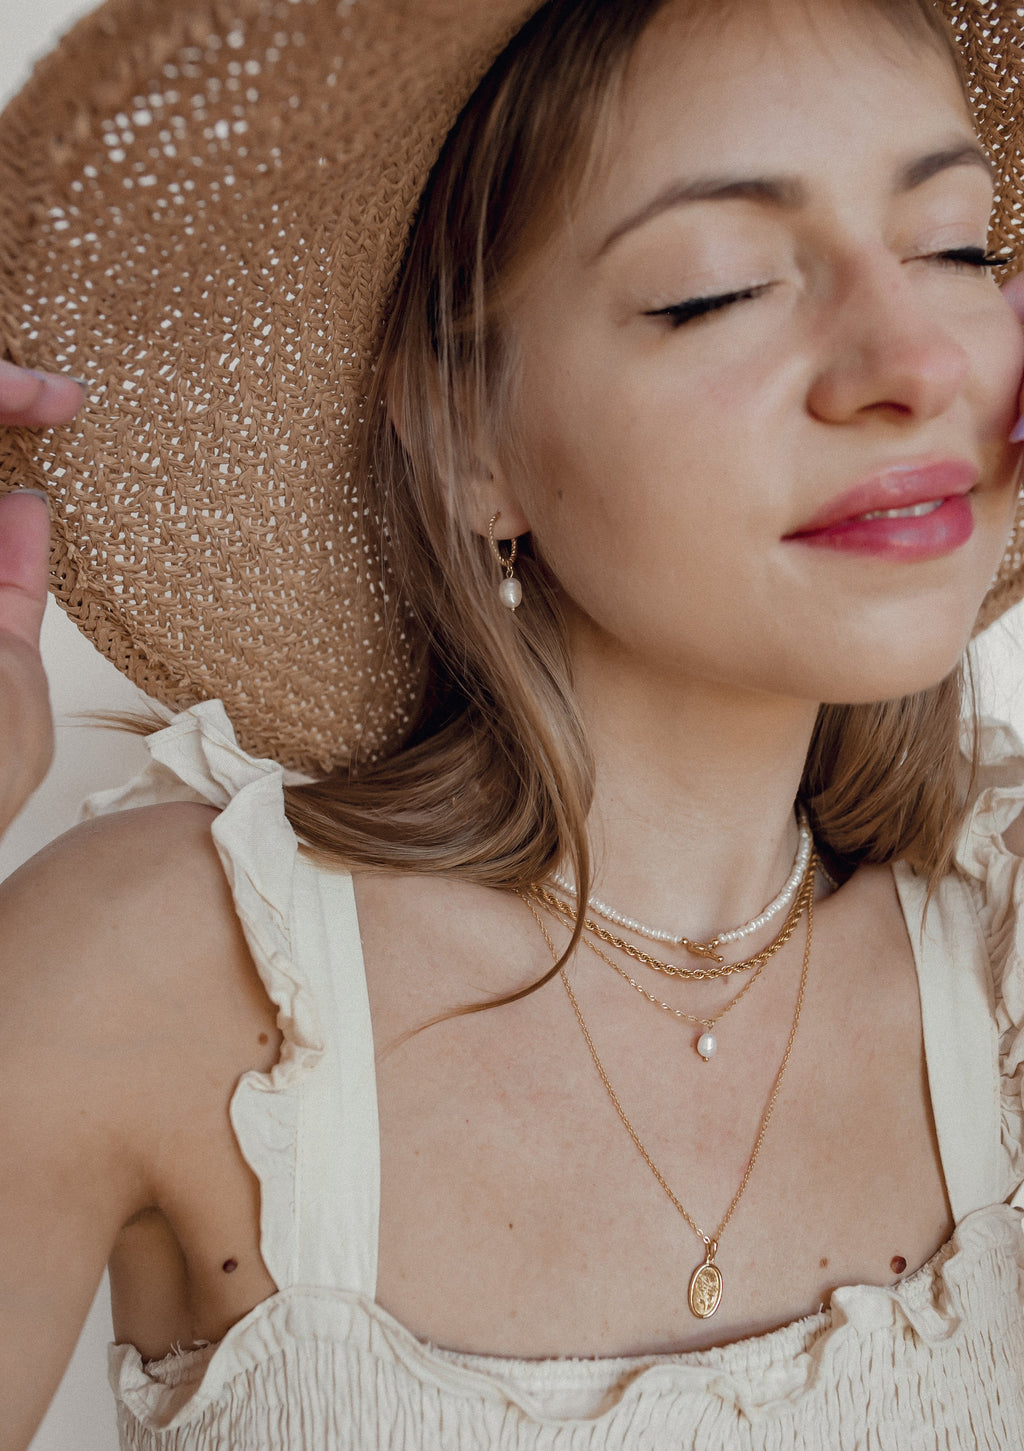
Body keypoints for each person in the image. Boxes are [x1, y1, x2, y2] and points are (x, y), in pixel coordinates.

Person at [3, 0, 1024, 1445]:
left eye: (957, 251)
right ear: (466, 437)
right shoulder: (163, 969)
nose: (915, 365)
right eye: (720, 288)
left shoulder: (1001, 952)